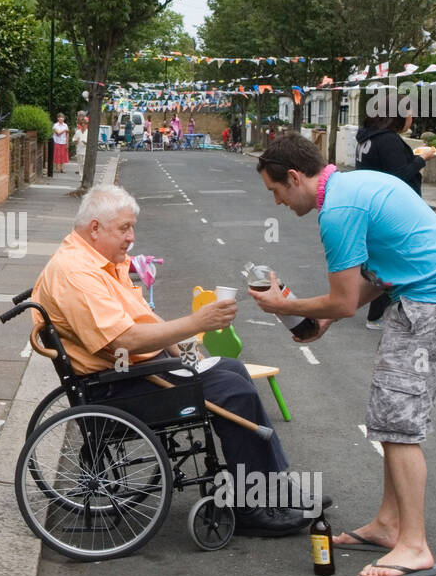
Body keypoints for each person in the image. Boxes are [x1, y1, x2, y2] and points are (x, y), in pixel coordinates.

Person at [31, 185, 322, 536]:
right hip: (116, 386)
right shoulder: (77, 273)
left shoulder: (99, 262)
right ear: (95, 228)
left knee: (231, 371)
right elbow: (124, 339)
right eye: (124, 228)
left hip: (132, 372)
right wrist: (199, 323)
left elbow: (148, 323)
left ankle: (272, 486)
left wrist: (193, 359)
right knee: (231, 389)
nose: (131, 238)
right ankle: (253, 506)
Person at [251, 134, 436, 576]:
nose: (277, 203)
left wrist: (285, 307)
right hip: (432, 300)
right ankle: (389, 524)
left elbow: (341, 300)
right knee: (392, 417)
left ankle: (414, 546)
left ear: (294, 177)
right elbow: (378, 273)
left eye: (275, 191)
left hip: (430, 306)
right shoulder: (357, 185)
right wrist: (330, 317)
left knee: (398, 425)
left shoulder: (337, 212)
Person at [355, 99, 436, 329]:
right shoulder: (387, 140)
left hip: (376, 208)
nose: (411, 118)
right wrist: (422, 159)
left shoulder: (369, 138)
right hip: (392, 211)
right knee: (395, 261)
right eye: (409, 113)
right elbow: (398, 176)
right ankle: (380, 314)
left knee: (389, 259)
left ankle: (384, 311)